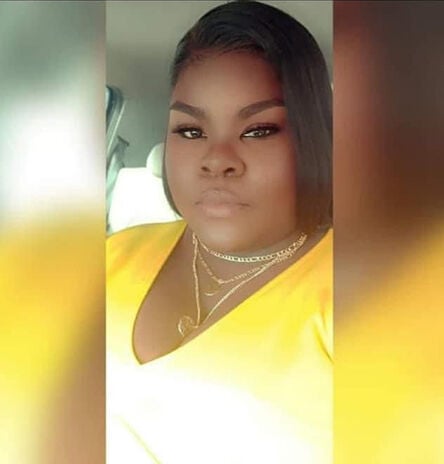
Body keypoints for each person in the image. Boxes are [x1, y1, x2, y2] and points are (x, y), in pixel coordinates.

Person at [107, 1, 332, 463]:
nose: (217, 159)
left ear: (312, 135)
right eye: (191, 131)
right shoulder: (113, 254)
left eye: (259, 130)